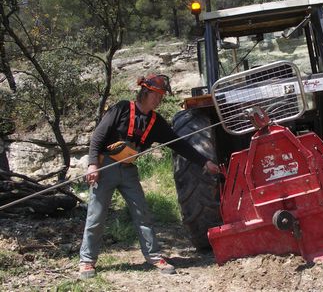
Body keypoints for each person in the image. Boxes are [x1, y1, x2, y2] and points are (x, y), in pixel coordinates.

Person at [79, 74, 220, 279]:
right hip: (105, 167)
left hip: (128, 171)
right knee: (96, 215)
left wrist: (204, 162)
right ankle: (87, 262)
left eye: (161, 96)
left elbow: (179, 144)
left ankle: (153, 256)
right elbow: (99, 135)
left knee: (142, 213)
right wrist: (92, 164)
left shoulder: (156, 122)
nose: (159, 99)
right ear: (145, 92)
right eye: (156, 95)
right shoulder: (121, 109)